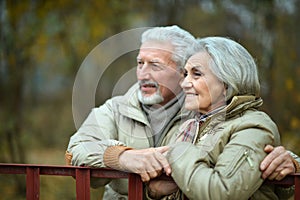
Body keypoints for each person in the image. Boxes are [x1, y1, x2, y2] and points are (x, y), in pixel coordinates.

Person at [66, 26, 298, 199]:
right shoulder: (116, 108)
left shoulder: (201, 113)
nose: (142, 74)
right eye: (139, 63)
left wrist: (294, 168)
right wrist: (125, 157)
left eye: (155, 65)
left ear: (181, 71)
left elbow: (247, 151)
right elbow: (75, 150)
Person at [147, 36, 296, 199]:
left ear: (226, 83)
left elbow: (221, 193)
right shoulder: (189, 125)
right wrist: (153, 192)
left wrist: (178, 151)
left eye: (196, 74)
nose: (184, 83)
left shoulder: (254, 127)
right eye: (185, 74)